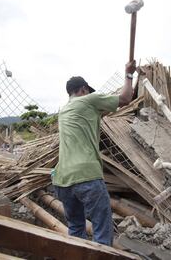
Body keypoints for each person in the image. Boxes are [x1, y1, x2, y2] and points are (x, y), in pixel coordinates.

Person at [53, 60, 136, 246]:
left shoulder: (64, 110)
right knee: (102, 232)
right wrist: (129, 74)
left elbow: (91, 118)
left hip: (62, 180)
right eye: (88, 91)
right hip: (87, 177)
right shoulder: (89, 100)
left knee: (75, 230)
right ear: (83, 90)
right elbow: (126, 99)